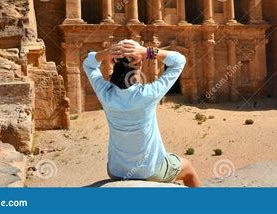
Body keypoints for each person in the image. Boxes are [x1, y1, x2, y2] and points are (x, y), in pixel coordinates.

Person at [83, 39, 201, 187]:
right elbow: (179, 60)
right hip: (150, 172)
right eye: (141, 61)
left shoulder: (105, 93)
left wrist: (106, 53)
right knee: (188, 167)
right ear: (137, 64)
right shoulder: (148, 95)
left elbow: (88, 64)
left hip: (116, 171)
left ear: (113, 63)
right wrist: (148, 52)